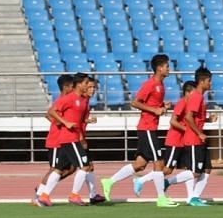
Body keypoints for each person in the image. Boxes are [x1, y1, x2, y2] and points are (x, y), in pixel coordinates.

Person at [100, 54, 172, 203]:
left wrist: (162, 106)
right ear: (159, 68)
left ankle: (109, 181)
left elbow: (152, 105)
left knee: (140, 165)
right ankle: (161, 198)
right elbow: (135, 102)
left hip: (149, 127)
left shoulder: (160, 85)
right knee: (159, 162)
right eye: (166, 66)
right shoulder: (150, 84)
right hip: (147, 128)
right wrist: (155, 110)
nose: (168, 69)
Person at [133, 81, 197, 206]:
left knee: (189, 169)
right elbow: (173, 122)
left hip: (184, 141)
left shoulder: (190, 105)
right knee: (166, 169)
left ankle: (191, 197)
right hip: (175, 141)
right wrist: (188, 131)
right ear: (187, 93)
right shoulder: (182, 103)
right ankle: (141, 180)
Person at [39, 72, 92, 205]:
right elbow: (51, 112)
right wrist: (65, 122)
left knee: (58, 169)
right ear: (78, 84)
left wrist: (86, 121)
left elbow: (77, 119)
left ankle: (44, 196)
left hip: (70, 138)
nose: (88, 86)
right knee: (85, 166)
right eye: (86, 83)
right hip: (69, 138)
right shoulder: (69, 98)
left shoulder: (82, 101)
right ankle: (74, 195)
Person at [33, 74, 74, 207]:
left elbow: (49, 114)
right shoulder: (62, 100)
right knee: (54, 169)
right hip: (56, 141)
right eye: (72, 86)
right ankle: (39, 195)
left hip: (63, 140)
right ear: (66, 87)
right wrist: (59, 124)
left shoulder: (65, 99)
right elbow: (49, 113)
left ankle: (42, 189)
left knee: (72, 168)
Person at [183, 67, 218, 206]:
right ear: (202, 81)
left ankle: (195, 197)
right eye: (209, 81)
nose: (210, 84)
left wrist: (208, 120)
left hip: (199, 139)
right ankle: (167, 182)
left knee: (207, 168)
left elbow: (196, 118)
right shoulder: (196, 96)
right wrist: (199, 133)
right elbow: (188, 117)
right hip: (193, 139)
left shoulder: (200, 97)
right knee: (195, 172)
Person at [76, 76, 106, 205]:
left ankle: (93, 195)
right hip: (76, 138)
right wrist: (81, 138)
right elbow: (74, 120)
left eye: (94, 87)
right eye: (90, 87)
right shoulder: (80, 101)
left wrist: (87, 120)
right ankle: (43, 190)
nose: (93, 89)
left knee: (89, 166)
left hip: (80, 136)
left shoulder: (86, 101)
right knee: (63, 170)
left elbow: (79, 119)